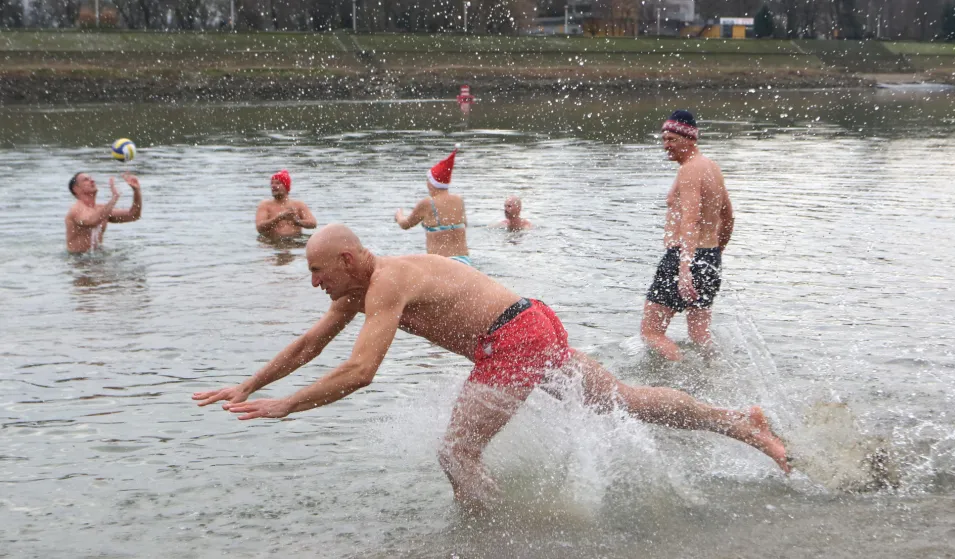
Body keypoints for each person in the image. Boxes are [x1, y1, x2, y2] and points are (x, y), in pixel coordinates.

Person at [193, 224, 788, 510]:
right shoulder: (360, 289)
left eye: (319, 273)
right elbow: (308, 347)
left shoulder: (389, 282)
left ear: (348, 259)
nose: (316, 285)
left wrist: (288, 406)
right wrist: (249, 385)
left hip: (512, 339)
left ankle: (494, 542)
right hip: (533, 322)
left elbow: (360, 370)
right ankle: (742, 422)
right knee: (624, 398)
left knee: (455, 453)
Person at [641, 110, 734, 362]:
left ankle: (681, 381)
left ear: (690, 139)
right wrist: (715, 254)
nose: (666, 146)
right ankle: (713, 373)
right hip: (708, 257)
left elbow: (689, 221)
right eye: (663, 140)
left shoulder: (690, 170)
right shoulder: (711, 167)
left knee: (651, 332)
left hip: (684, 258)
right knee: (700, 334)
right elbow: (728, 217)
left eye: (672, 139)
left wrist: (684, 270)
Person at [395, 148, 471, 266]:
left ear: (431, 183)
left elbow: (406, 225)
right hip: (464, 263)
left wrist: (398, 215)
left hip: (440, 265)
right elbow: (465, 224)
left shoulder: (427, 203)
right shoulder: (459, 200)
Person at [65, 171, 142, 254]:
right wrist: (114, 198)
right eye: (86, 180)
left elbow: (134, 215)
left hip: (96, 257)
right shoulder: (76, 209)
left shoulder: (101, 209)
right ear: (76, 189)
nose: (92, 181)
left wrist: (136, 191)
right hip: (78, 261)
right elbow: (92, 221)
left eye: (91, 178)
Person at [256, 170, 318, 238]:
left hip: (295, 241)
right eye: (272, 183)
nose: (273, 186)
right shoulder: (265, 205)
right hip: (273, 243)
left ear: (286, 187)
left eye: (278, 183)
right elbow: (259, 228)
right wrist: (279, 218)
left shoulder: (298, 205)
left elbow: (313, 224)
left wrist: (297, 222)